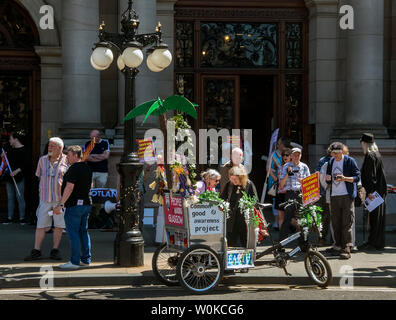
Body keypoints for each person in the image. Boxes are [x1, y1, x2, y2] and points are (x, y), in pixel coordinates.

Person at [24, 137, 69, 261]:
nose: (49, 148)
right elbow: (39, 177)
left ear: (60, 148)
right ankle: (36, 250)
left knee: (59, 225)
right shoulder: (42, 160)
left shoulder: (67, 160)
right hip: (44, 198)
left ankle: (55, 250)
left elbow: (70, 181)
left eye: (52, 146)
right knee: (41, 225)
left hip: (60, 200)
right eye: (49, 145)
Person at [55, 145, 93, 269]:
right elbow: (91, 186)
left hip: (74, 205)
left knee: (73, 234)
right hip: (86, 203)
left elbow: (69, 187)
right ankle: (86, 259)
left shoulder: (73, 169)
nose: (67, 158)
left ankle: (74, 262)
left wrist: (60, 204)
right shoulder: (87, 168)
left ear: (76, 156)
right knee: (83, 231)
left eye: (69, 155)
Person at [325, 142, 360, 260]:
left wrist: (345, 178)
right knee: (335, 222)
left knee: (347, 222)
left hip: (346, 195)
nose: (335, 155)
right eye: (333, 153)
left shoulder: (350, 161)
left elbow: (357, 177)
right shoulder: (331, 162)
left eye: (337, 153)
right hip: (334, 195)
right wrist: (328, 179)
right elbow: (329, 180)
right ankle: (338, 245)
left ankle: (346, 248)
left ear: (342, 152)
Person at [220, 166, 261, 266]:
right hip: (231, 219)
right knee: (231, 242)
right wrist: (221, 205)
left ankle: (245, 264)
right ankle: (231, 265)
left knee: (245, 242)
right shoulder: (229, 185)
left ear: (241, 177)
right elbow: (221, 198)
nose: (232, 180)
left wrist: (248, 204)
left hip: (245, 220)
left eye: (235, 179)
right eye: (231, 178)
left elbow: (255, 201)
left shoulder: (249, 184)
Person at [358, 133, 387, 251]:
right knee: (377, 219)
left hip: (374, 193)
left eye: (362, 143)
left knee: (374, 219)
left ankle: (374, 242)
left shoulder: (370, 156)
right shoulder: (377, 154)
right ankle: (376, 242)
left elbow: (371, 176)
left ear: (365, 143)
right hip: (379, 192)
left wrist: (370, 192)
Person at [279, 147, 310, 241]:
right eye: (294, 155)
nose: (296, 157)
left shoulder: (304, 167)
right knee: (287, 219)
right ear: (291, 156)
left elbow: (309, 183)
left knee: (302, 219)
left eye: (298, 155)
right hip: (290, 194)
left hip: (301, 194)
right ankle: (281, 243)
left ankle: (303, 243)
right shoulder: (286, 166)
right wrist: (288, 173)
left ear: (300, 155)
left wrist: (302, 181)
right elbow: (281, 185)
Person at [84, 130, 110, 228]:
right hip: (90, 172)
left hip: (102, 172)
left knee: (100, 194)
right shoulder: (89, 144)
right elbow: (86, 157)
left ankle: (100, 216)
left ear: (98, 137)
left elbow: (106, 156)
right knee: (90, 194)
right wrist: (99, 157)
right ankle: (91, 216)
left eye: (93, 138)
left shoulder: (105, 143)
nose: (91, 140)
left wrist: (94, 156)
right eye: (91, 138)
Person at [3, 131, 28, 225]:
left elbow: (25, 164)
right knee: (10, 197)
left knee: (20, 197)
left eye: (10, 138)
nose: (9, 140)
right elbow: (5, 160)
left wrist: (16, 171)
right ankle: (10, 218)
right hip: (9, 177)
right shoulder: (9, 149)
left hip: (19, 177)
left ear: (16, 139)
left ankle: (22, 218)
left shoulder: (24, 149)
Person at [315, 145, 332, 246]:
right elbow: (317, 174)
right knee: (325, 217)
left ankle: (333, 240)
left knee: (333, 217)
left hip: (336, 193)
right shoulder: (323, 160)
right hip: (324, 192)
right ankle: (322, 238)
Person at [274, 148, 292, 231]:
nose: (285, 156)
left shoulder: (296, 167)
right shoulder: (281, 168)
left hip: (290, 194)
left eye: (287, 155)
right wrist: (288, 174)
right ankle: (282, 236)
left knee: (291, 217)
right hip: (281, 194)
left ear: (291, 156)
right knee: (281, 216)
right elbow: (280, 184)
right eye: (283, 155)